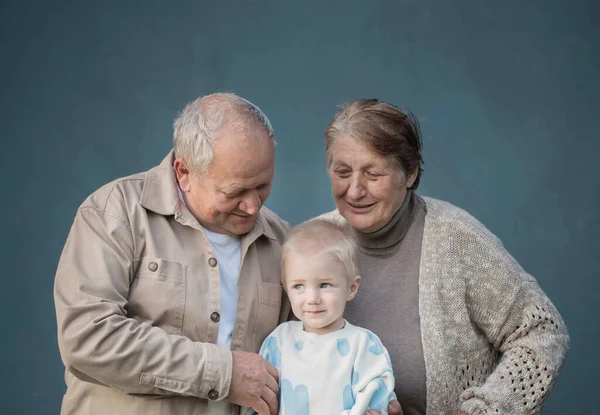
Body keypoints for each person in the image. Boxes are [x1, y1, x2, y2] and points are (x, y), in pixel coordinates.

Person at [318, 99, 570, 415]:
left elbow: (542, 331)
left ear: (409, 174)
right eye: (342, 172)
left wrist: (483, 411)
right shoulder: (312, 243)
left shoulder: (456, 239)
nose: (354, 190)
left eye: (373, 173)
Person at [54, 93, 291, 415]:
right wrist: (223, 372)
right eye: (234, 192)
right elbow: (87, 337)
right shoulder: (115, 213)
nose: (252, 206)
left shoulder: (282, 242)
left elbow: (309, 351)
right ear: (184, 172)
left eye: (263, 186)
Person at [244, 219, 396, 415]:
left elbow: (375, 398)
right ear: (286, 288)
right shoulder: (278, 341)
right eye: (299, 286)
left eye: (324, 285)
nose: (312, 299)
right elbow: (260, 399)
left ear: (352, 287)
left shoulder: (363, 345)